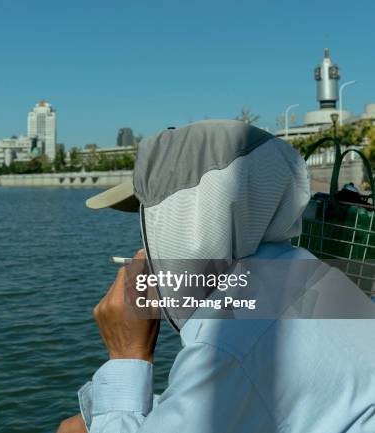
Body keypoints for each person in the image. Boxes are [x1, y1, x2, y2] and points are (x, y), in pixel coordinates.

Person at [57, 120, 375, 433]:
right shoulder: (309, 274)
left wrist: (127, 355)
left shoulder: (229, 341)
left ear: (187, 227)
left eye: (151, 229)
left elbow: (238, 368)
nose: (142, 253)